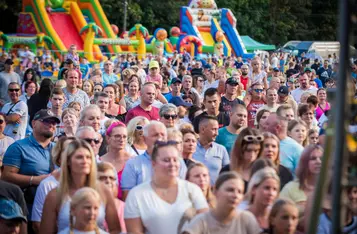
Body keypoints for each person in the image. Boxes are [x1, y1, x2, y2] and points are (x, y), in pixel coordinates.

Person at [124, 141, 208, 234]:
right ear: (154, 163)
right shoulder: (137, 195)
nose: (172, 164)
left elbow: (205, 226)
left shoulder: (192, 190)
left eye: (175, 160)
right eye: (166, 160)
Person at [40, 139, 121, 233]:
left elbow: (115, 229)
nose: (85, 161)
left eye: (88, 157)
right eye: (79, 157)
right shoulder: (54, 195)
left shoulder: (103, 190)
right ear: (68, 161)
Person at [121, 121, 187, 199]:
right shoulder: (133, 164)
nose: (159, 138)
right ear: (144, 139)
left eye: (162, 135)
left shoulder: (178, 162)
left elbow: (184, 191)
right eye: (155, 135)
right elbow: (128, 196)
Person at [182, 171, 261, 234]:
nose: (235, 195)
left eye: (239, 192)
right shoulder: (202, 220)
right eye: (230, 190)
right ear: (216, 192)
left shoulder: (247, 219)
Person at [31, 136, 74, 233]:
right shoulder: (47, 185)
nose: (72, 153)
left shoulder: (89, 183)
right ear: (59, 157)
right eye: (67, 150)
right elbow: (37, 224)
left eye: (75, 149)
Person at [280, 144, 323, 232]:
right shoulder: (290, 188)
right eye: (313, 158)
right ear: (304, 162)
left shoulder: (329, 189)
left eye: (321, 159)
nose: (318, 161)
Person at [193, 115, 230, 184]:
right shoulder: (191, 148)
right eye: (214, 129)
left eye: (217, 129)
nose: (217, 133)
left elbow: (227, 174)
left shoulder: (221, 149)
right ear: (203, 129)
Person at [100, 122, 131, 200]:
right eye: (117, 136)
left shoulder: (133, 162)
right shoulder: (99, 161)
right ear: (108, 138)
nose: (121, 139)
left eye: (124, 137)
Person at [97, 162, 126, 232]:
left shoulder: (125, 207)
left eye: (111, 178)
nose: (108, 181)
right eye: (102, 178)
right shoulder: (87, 204)